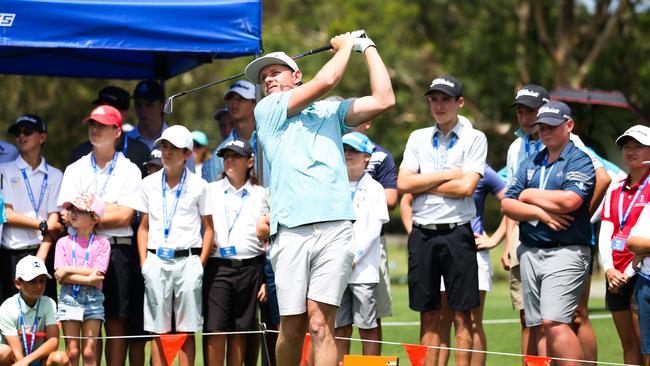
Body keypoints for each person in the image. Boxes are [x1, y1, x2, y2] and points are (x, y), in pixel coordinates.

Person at [243, 30, 394, 366]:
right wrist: (345, 48)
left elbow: (384, 99)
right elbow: (328, 78)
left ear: (296, 76)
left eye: (275, 72)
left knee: (321, 323)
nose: (267, 79)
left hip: (336, 227)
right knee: (292, 327)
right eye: (263, 76)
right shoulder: (267, 111)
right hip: (291, 230)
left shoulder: (329, 113)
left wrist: (368, 46)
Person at [501, 85, 607, 361]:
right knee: (537, 326)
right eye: (541, 127)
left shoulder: (579, 157)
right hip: (530, 249)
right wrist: (540, 213)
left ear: (568, 125)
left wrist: (528, 195)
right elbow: (507, 204)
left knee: (556, 324)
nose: (544, 132)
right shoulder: (529, 158)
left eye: (551, 126)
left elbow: (570, 202)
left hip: (565, 249)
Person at [397, 75, 486, 366]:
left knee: (463, 315)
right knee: (428, 314)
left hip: (457, 233)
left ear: (459, 102)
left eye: (445, 99)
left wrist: (420, 182)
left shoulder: (474, 138)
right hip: (422, 233)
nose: (438, 105)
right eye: (434, 99)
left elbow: (466, 188)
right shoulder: (417, 137)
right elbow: (403, 183)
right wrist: (448, 174)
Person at [57, 105, 142, 366]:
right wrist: (108, 207)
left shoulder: (130, 170)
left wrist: (86, 214)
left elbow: (126, 215)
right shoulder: (75, 169)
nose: (94, 129)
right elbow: (66, 214)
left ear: (117, 131)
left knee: (115, 321)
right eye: (92, 124)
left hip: (117, 251)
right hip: (77, 249)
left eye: (102, 125)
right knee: (77, 327)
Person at [131, 125, 214, 366]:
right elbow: (143, 227)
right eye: (164, 146)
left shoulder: (200, 185)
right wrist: (145, 262)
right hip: (156, 259)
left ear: (187, 153)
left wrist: (199, 264)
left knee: (187, 329)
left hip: (188, 260)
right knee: (159, 329)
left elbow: (208, 229)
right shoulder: (148, 184)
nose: (166, 152)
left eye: (174, 148)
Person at [203, 139, 266, 366]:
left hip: (251, 266)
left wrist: (267, 279)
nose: (229, 160)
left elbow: (269, 239)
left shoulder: (261, 194)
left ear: (250, 161)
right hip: (218, 265)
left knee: (242, 330)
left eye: (236, 156)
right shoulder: (210, 190)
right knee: (216, 327)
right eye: (226, 155)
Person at [437, 165, 506, 366]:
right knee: (443, 320)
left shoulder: (482, 169)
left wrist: (494, 240)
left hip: (473, 252)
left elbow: (511, 202)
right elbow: (408, 199)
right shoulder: (438, 165)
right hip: (441, 250)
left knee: (472, 321)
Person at [598, 125, 650, 365]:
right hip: (614, 273)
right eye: (626, 146)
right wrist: (609, 269)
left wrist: (627, 274)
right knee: (628, 344)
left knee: (645, 345)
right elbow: (606, 230)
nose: (631, 151)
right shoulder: (616, 185)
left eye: (638, 146)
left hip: (637, 273)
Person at [335, 132, 389, 363]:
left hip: (363, 269)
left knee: (367, 326)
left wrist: (354, 256)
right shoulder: (332, 185)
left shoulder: (375, 188)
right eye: (345, 149)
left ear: (367, 157)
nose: (348, 154)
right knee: (339, 328)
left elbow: (373, 230)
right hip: (335, 269)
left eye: (354, 151)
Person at [0, 114, 64, 303]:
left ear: (42, 137)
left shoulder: (55, 175)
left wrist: (40, 257)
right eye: (17, 133)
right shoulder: (5, 169)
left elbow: (55, 219)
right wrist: (42, 225)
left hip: (42, 250)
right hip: (12, 252)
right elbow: (7, 214)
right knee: (12, 316)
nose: (21, 136)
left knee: (44, 315)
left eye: (27, 132)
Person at [54, 192, 110, 366]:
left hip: (93, 300)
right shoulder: (63, 243)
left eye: (80, 210)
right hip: (69, 298)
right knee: (72, 351)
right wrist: (88, 279)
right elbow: (59, 275)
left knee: (88, 352)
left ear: (94, 218)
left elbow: (98, 273)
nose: (73, 213)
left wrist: (68, 269)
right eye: (72, 209)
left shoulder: (102, 243)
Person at [0, 255, 69, 366]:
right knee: (2, 352)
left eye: (42, 281)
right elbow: (17, 354)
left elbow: (53, 342)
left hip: (37, 360)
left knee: (60, 358)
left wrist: (27, 361)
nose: (38, 286)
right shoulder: (7, 307)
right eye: (32, 281)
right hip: (14, 361)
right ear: (18, 283)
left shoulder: (49, 303)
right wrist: (23, 361)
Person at [70, 86, 151, 177]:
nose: (103, 113)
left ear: (125, 114)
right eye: (100, 107)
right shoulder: (79, 153)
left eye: (110, 109)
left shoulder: (141, 152)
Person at [202, 80, 258, 184]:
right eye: (230, 98)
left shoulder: (268, 140)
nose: (234, 102)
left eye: (241, 98)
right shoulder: (219, 153)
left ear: (254, 103)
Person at [627, 204, 650, 366]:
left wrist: (644, 251)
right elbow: (632, 243)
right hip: (646, 283)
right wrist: (642, 252)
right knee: (647, 350)